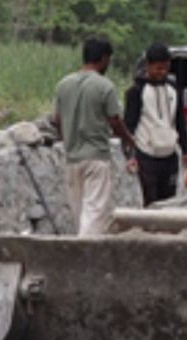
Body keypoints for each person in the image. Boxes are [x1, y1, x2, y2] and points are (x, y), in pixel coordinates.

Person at [51, 36, 135, 237]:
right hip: (96, 157)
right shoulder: (104, 86)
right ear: (104, 58)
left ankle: (79, 251)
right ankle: (87, 255)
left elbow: (57, 120)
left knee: (79, 212)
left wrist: (66, 140)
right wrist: (128, 139)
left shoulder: (63, 84)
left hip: (72, 158)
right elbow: (115, 121)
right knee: (95, 213)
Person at [125, 44, 187, 205]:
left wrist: (185, 151)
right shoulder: (136, 92)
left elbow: (180, 121)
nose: (162, 73)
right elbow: (129, 125)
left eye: (166, 68)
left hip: (170, 155)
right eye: (158, 68)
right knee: (150, 200)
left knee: (169, 201)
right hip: (146, 155)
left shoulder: (174, 90)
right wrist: (130, 155)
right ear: (148, 65)